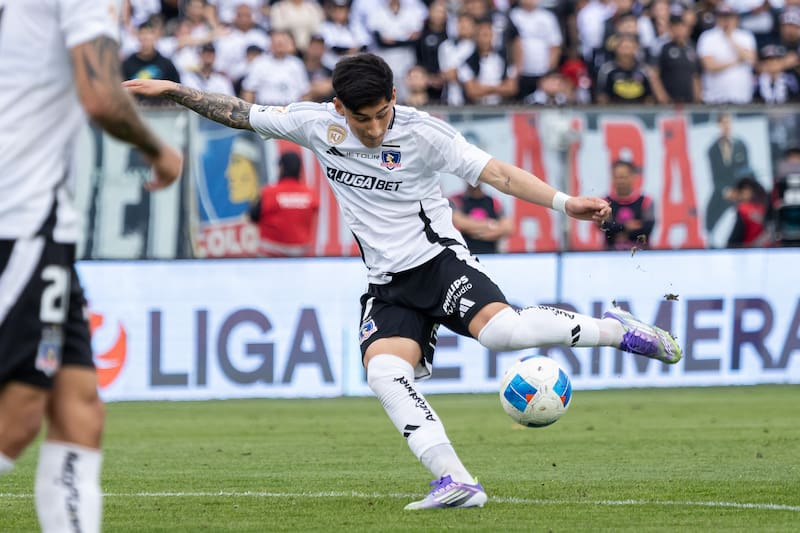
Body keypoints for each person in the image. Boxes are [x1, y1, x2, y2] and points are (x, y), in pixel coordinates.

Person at [123, 52, 682, 510]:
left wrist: (567, 204)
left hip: (438, 264)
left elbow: (500, 174)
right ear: (339, 107)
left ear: (393, 100)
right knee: (384, 371)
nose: (372, 129)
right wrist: (175, 91)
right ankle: (456, 481)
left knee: (504, 336)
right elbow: (240, 112)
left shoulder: (423, 133)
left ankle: (617, 331)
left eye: (381, 115)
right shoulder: (315, 123)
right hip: (386, 283)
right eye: (360, 118)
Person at [0, 1, 183, 531]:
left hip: (45, 225)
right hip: (20, 219)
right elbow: (102, 96)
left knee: (79, 407)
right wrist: (159, 151)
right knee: (18, 415)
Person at [246, 152, 320, 256]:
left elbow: (253, 216)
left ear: (281, 168)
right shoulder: (310, 194)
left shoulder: (269, 192)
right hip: (300, 253)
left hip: (271, 253)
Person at [706, 112, 750, 236]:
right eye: (723, 123)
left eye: (728, 122)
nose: (726, 126)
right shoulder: (712, 149)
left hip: (741, 187)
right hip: (723, 190)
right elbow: (715, 176)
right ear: (718, 125)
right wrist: (726, 190)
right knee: (710, 214)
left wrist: (742, 190)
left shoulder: (740, 144)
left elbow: (746, 169)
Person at [599, 160, 656, 250]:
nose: (620, 181)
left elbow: (647, 229)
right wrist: (626, 227)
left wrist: (618, 229)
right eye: (617, 177)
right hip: (611, 255)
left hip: (642, 254)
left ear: (633, 177)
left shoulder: (646, 201)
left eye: (624, 177)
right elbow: (606, 228)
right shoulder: (604, 202)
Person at [449, 183, 514, 254]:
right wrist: (492, 224)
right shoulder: (456, 199)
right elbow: (460, 223)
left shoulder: (493, 201)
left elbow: (508, 228)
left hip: (491, 255)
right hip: (464, 255)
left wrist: (474, 231)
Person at [725, 175, 770, 248]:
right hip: (763, 250)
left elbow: (734, 239)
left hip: (747, 250)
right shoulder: (763, 208)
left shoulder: (744, 209)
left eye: (743, 191)